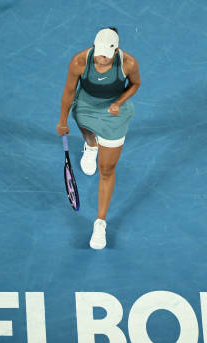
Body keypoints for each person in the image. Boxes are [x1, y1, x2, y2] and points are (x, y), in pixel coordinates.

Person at [56, 27, 141, 250]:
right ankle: (91, 146)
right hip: (86, 106)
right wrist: (62, 121)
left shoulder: (128, 63)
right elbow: (69, 91)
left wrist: (119, 102)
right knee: (84, 127)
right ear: (94, 47)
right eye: (99, 54)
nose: (102, 60)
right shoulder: (79, 62)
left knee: (107, 169)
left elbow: (135, 84)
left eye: (107, 56)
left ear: (116, 51)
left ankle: (100, 223)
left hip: (114, 113)